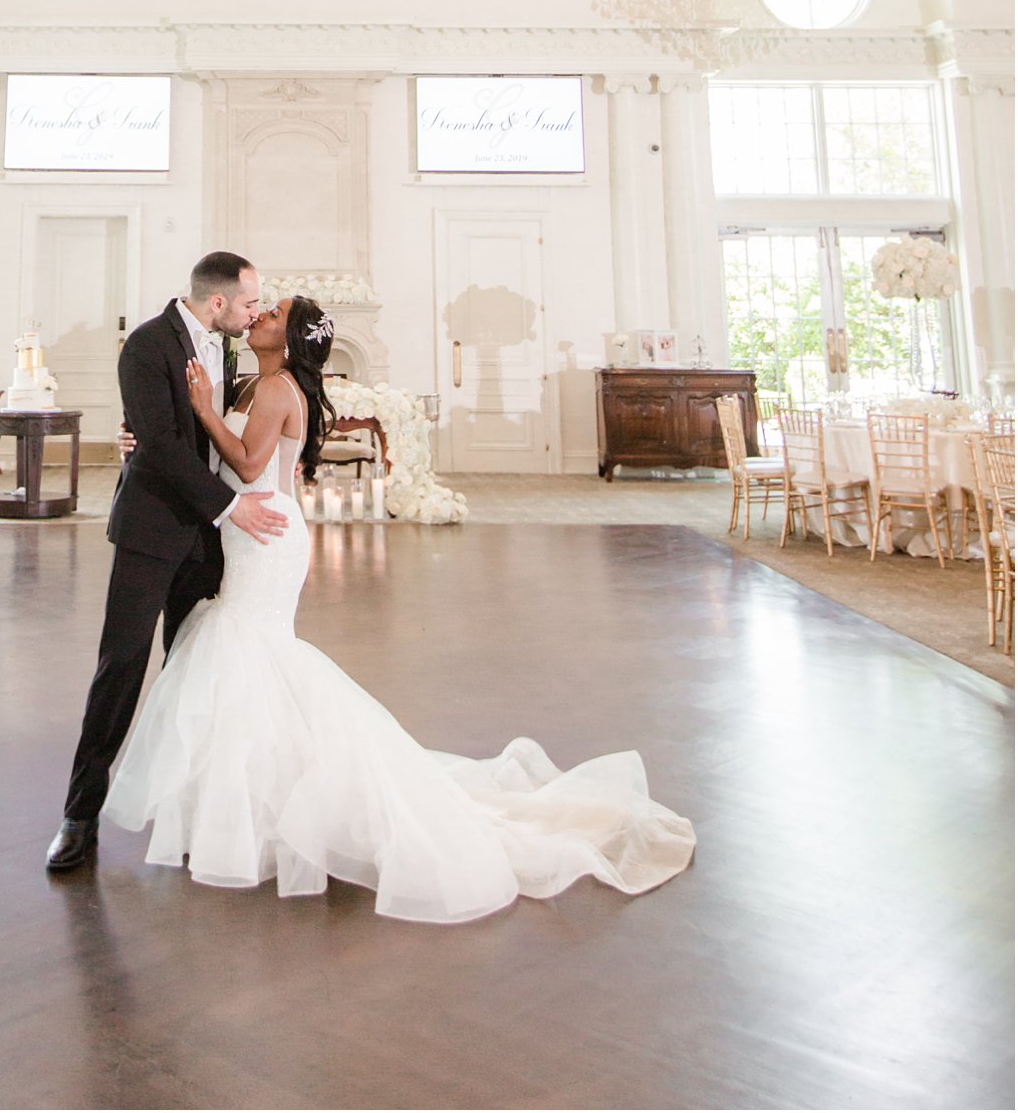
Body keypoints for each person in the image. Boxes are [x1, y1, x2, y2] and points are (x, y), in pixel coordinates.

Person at [102, 296, 697, 925]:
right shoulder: (256, 381)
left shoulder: (277, 387)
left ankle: (269, 810)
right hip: (250, 532)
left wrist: (199, 408)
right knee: (251, 660)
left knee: (251, 654)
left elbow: (249, 463)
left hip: (265, 536)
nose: (258, 319)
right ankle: (248, 809)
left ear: (292, 340)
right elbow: (219, 452)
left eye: (271, 314)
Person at [46, 252, 288, 873]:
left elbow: (208, 431)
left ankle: (188, 811)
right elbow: (156, 445)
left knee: (193, 673)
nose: (255, 312)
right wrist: (228, 507)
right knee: (122, 665)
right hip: (153, 531)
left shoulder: (228, 350)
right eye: (250, 302)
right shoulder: (148, 346)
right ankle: (79, 814)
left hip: (206, 545)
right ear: (217, 304)